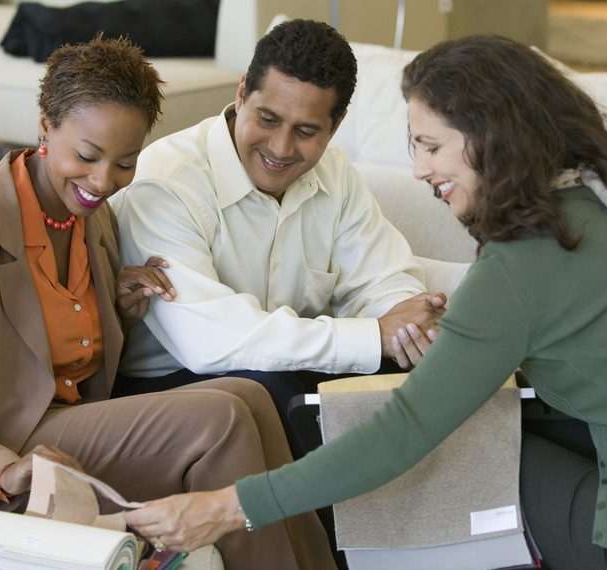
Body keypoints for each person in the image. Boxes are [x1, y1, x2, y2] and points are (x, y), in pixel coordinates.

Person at [122, 36, 607, 569]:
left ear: (491, 136)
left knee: (461, 445)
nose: (418, 169)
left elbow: (404, 431)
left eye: (432, 146)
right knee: (505, 423)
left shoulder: (526, 260)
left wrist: (224, 508)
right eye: (414, 145)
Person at [0, 36, 335, 570]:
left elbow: (70, 356)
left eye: (125, 163)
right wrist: (1, 469)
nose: (102, 182)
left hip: (65, 434)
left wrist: (118, 312)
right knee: (221, 417)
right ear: (45, 125)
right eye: (87, 156)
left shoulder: (94, 222)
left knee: (250, 395)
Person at [113, 19, 446, 446]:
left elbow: (383, 277)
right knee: (279, 392)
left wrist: (408, 325)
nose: (281, 148)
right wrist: (372, 336)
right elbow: (211, 341)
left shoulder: (335, 173)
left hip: (287, 370)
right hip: (170, 386)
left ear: (336, 125)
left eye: (305, 131)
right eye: (267, 119)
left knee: (405, 373)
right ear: (241, 93)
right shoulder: (167, 181)